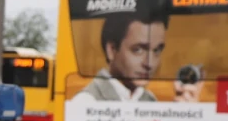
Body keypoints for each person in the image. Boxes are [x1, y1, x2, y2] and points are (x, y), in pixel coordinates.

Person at [70, 11, 201, 103]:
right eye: (138, 50)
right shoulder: (86, 102)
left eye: (156, 50)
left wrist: (181, 117)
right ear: (112, 50)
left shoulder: (150, 100)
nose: (149, 64)